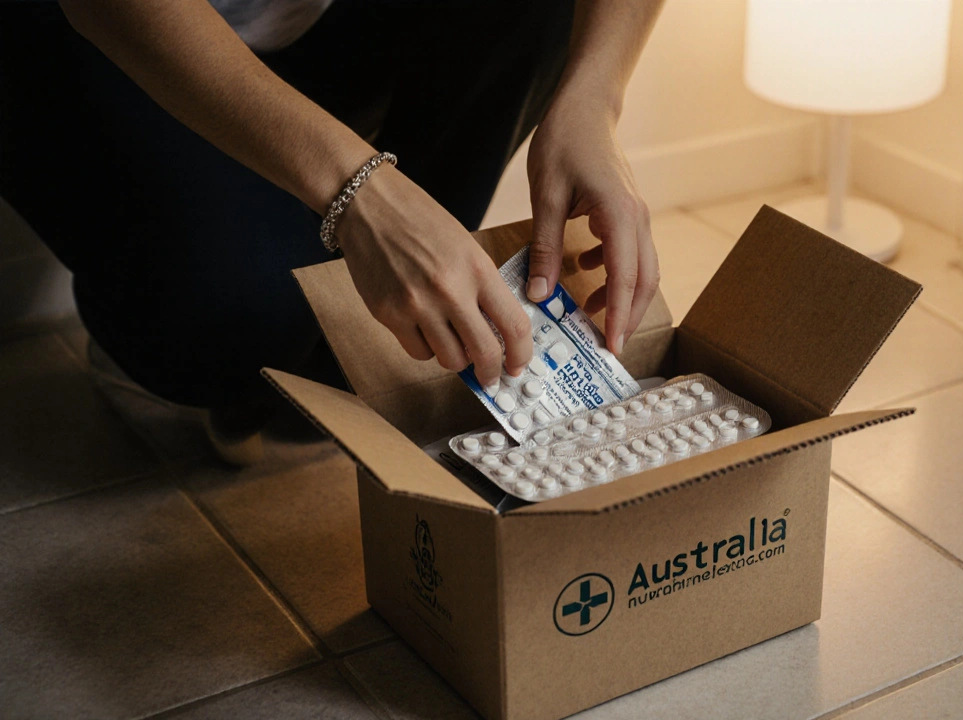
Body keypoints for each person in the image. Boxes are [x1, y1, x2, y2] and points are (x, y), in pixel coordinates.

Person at [0, 0, 663, 461]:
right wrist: (360, 194)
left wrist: (594, 95)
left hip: (320, 28)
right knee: (234, 315)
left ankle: (360, 327)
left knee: (334, 342)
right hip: (94, 34)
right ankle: (188, 314)